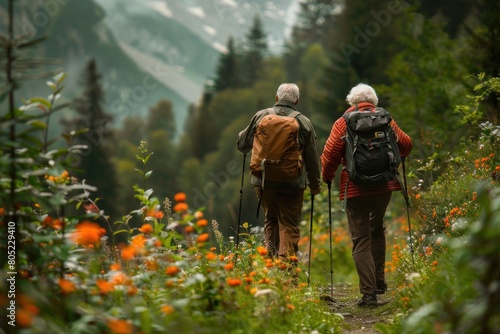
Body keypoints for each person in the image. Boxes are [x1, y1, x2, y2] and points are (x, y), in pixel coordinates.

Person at [321, 83, 413, 307]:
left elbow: (331, 153)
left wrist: (327, 176)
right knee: (377, 229)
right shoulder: (385, 118)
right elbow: (406, 145)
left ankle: (369, 293)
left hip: (354, 186)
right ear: (374, 102)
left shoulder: (343, 122)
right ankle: (380, 281)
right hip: (384, 185)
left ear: (352, 102)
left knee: (361, 237)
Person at [237, 83, 321, 263]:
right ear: (297, 100)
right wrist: (315, 185)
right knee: (289, 224)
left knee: (271, 219)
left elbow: (242, 145)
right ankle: (286, 268)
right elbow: (312, 156)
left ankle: (270, 266)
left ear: (277, 98)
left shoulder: (260, 116)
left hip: (263, 180)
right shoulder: (303, 122)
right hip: (293, 181)